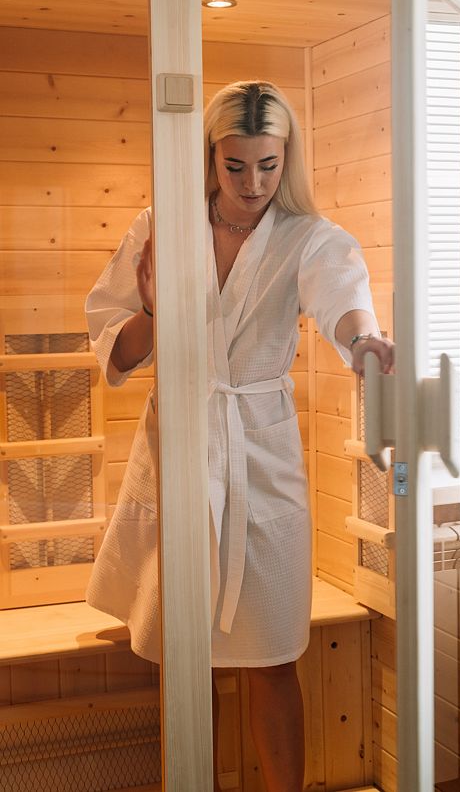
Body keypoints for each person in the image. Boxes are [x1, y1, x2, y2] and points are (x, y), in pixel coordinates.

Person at [85, 80, 394, 792]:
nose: (252, 183)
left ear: (288, 158)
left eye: (268, 164)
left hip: (261, 450)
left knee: (274, 654)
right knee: (181, 653)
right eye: (235, 165)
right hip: (178, 448)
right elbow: (117, 352)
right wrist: (155, 312)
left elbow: (343, 298)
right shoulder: (162, 227)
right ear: (209, 156)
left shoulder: (307, 237)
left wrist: (364, 341)